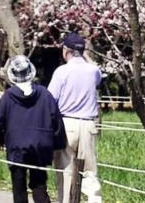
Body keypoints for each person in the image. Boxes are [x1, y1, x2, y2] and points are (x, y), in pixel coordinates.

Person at [0, 54, 67, 203]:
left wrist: (0, 141)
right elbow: (56, 120)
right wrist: (58, 144)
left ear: (12, 75)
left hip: (16, 146)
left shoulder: (7, 97)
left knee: (19, 187)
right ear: (31, 73)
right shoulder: (45, 94)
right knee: (39, 185)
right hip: (41, 144)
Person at [48, 32, 103, 203]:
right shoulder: (93, 71)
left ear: (66, 50)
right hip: (88, 125)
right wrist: (85, 54)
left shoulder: (61, 71)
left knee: (66, 173)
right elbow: (96, 70)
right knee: (90, 172)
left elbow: (51, 100)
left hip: (67, 124)